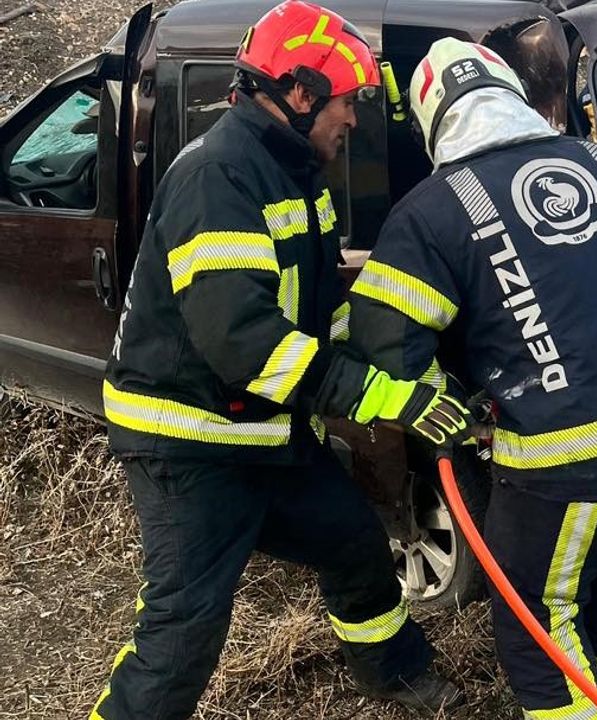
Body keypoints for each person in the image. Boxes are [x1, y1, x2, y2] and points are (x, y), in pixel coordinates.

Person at [92, 2, 468, 717]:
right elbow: (247, 344)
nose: (352, 118)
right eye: (346, 101)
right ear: (299, 93)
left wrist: (411, 367)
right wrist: (383, 398)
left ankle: (391, 670)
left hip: (267, 433)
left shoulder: (295, 173)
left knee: (355, 542)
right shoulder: (220, 179)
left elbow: (320, 315)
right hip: (192, 446)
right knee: (182, 634)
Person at [345, 38, 597, 719]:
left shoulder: (430, 213)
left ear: (430, 125)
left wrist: (458, 402)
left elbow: (385, 344)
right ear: (513, 95)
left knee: (537, 619)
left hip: (564, 457)